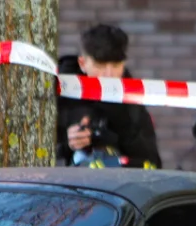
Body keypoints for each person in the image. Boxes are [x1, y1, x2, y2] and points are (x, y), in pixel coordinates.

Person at [57, 24, 162, 169]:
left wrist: (121, 129)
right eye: (100, 65)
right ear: (82, 63)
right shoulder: (60, 91)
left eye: (116, 65)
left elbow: (151, 162)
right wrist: (67, 144)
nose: (109, 74)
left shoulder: (131, 99)